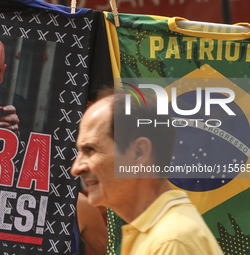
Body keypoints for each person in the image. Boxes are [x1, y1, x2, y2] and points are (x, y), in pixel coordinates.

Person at [71, 91, 224, 255]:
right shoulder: (159, 235)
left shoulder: (170, 241)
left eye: (90, 150)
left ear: (138, 152)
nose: (76, 168)